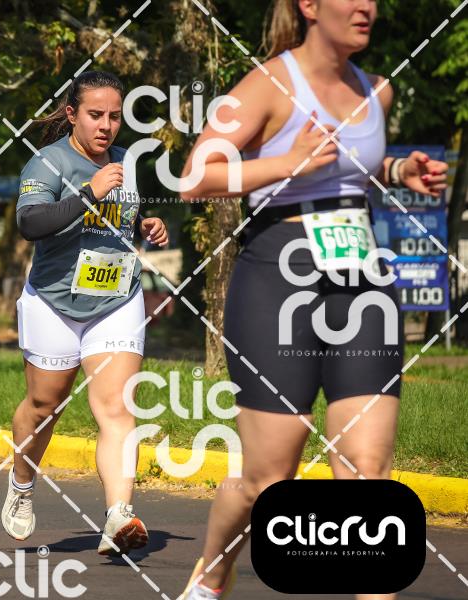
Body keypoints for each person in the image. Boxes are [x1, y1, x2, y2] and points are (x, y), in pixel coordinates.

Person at [178, 1, 448, 598]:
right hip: (278, 278)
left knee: (367, 473)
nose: (366, 7)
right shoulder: (269, 84)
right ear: (309, 6)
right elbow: (194, 177)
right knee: (268, 482)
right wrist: (285, 163)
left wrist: (397, 170)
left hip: (361, 280)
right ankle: (212, 576)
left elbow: (350, 168)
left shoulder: (378, 90)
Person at [2, 71, 168, 556]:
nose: (106, 126)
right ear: (73, 114)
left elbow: (120, 222)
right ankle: (22, 481)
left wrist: (146, 225)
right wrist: (89, 192)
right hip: (54, 302)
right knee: (44, 406)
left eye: (115, 116)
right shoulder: (48, 162)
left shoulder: (125, 161)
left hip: (116, 300)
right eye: (96, 115)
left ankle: (118, 515)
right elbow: (31, 222)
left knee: (116, 407)